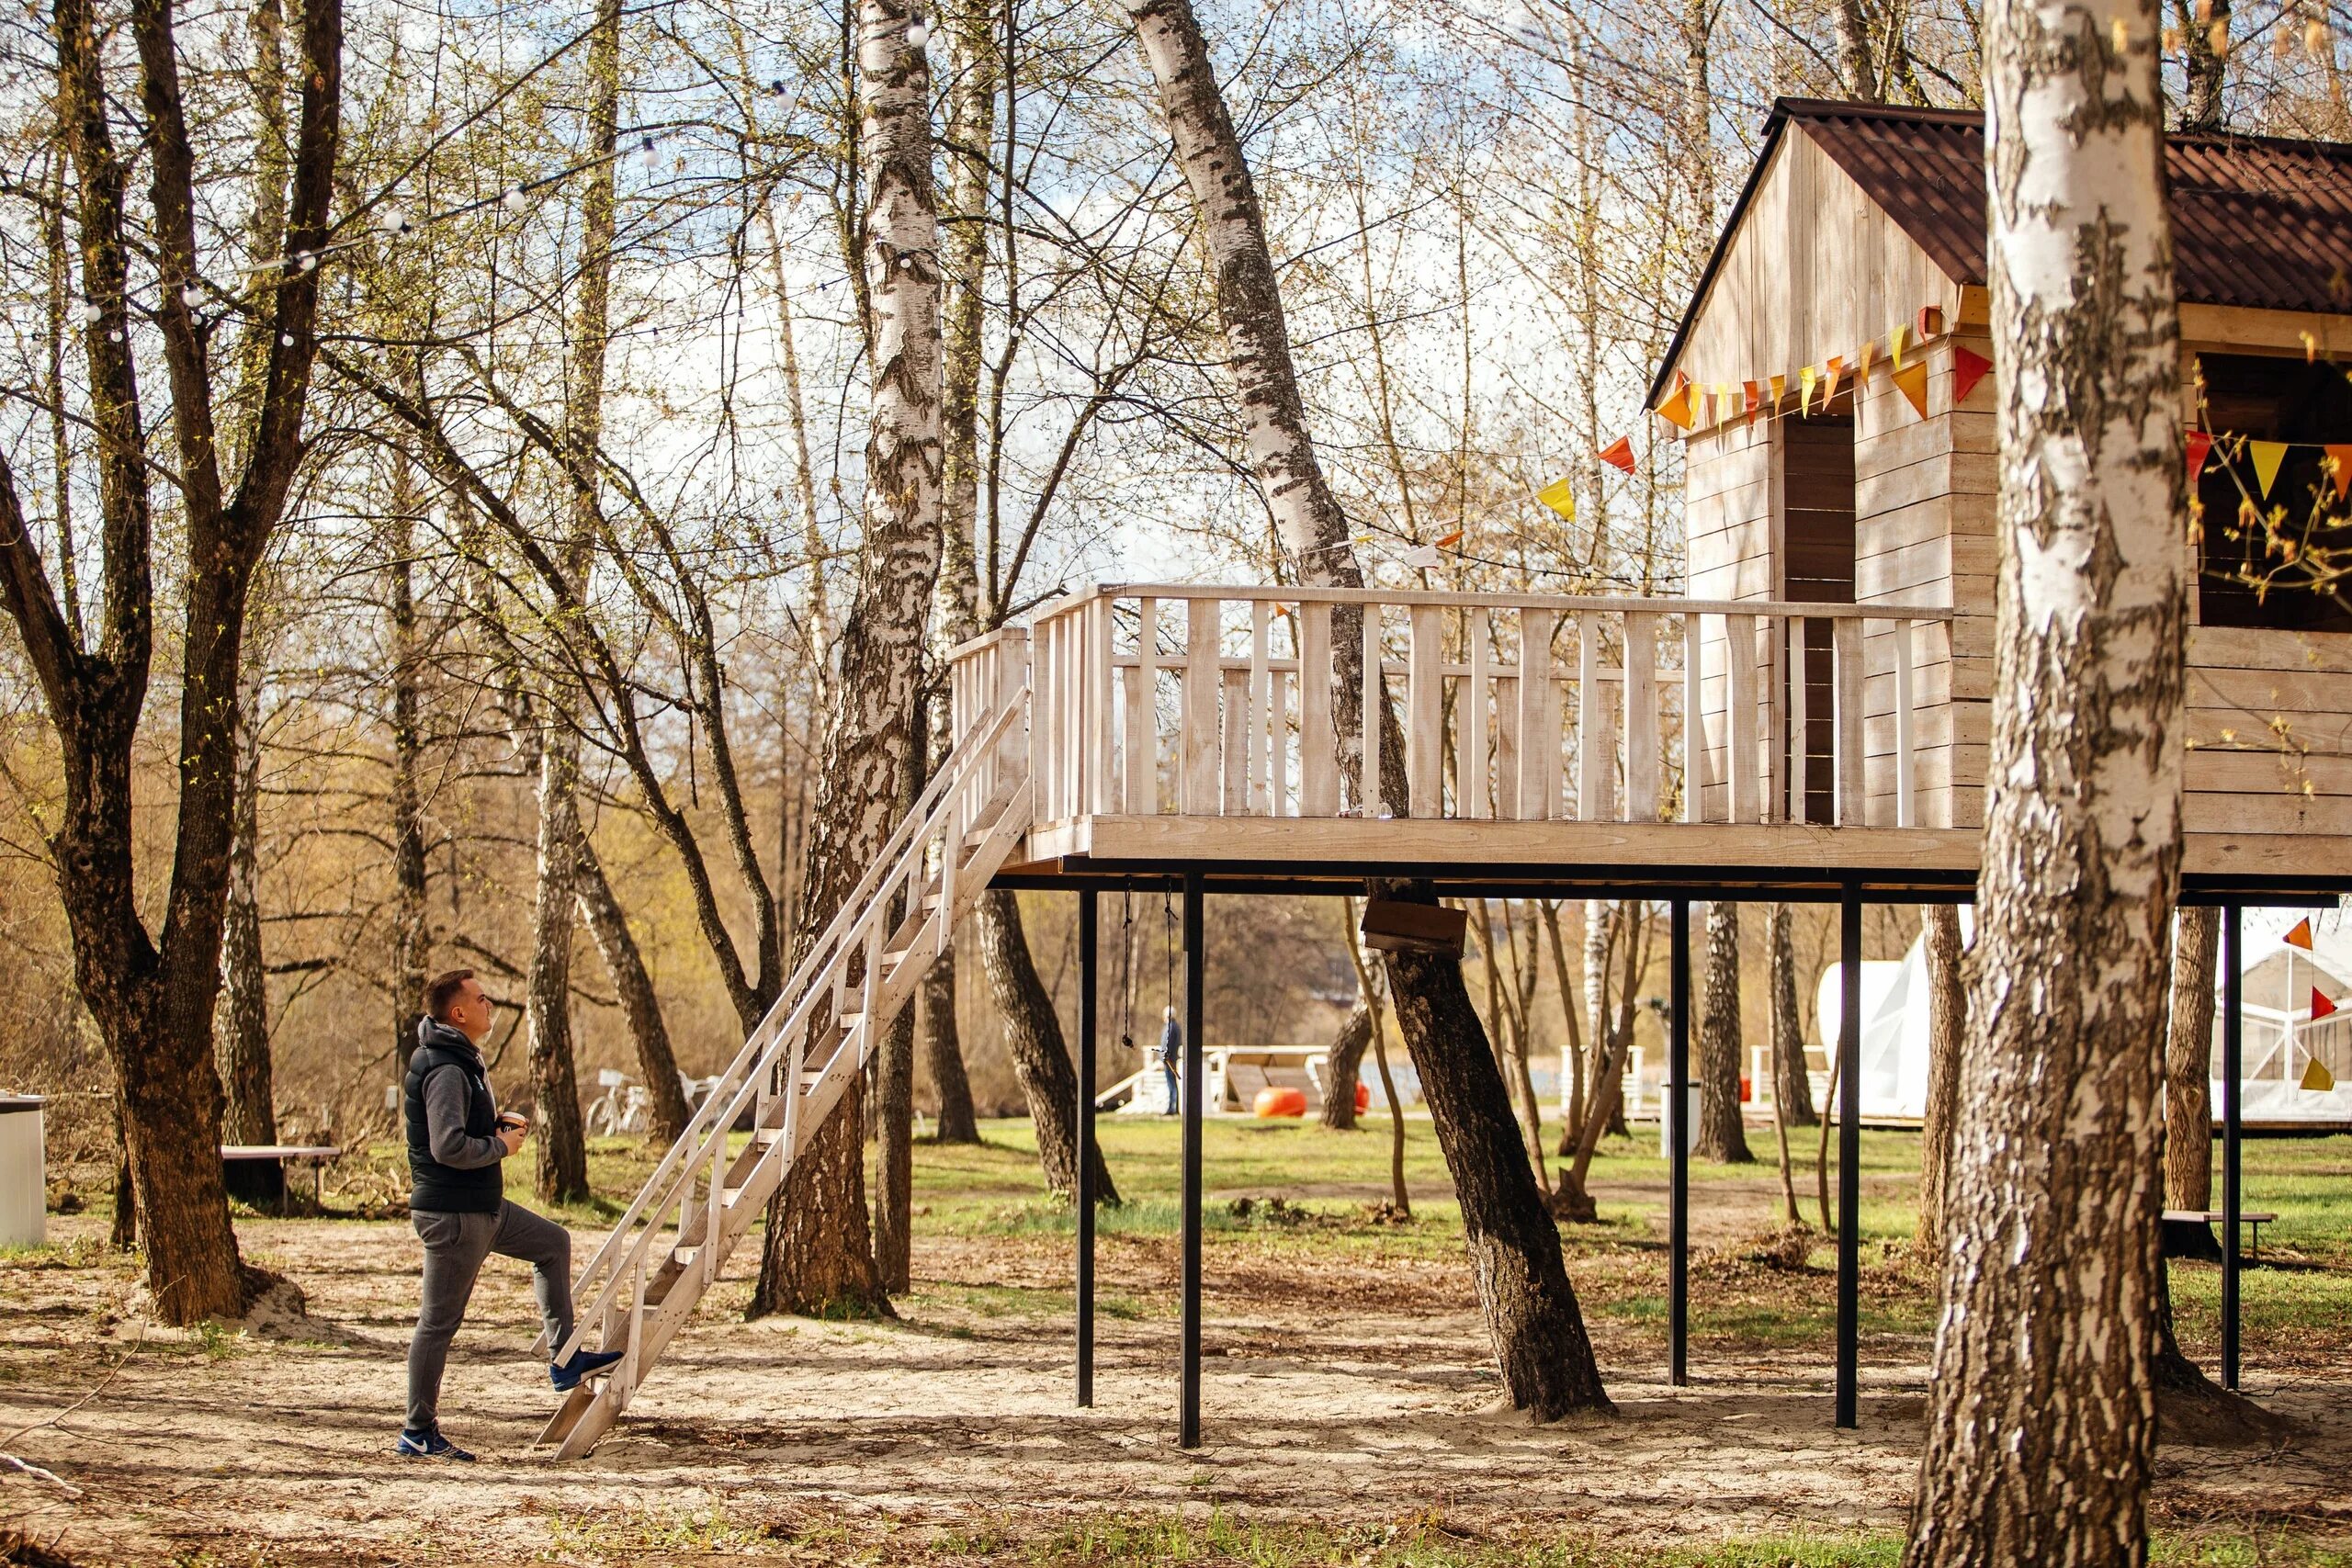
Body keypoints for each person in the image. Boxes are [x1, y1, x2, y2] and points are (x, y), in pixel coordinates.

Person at [397, 968, 620, 1461]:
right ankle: (418, 1431)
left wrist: (493, 1127)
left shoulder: (462, 1060)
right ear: (458, 1013)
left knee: (551, 1243)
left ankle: (564, 1361)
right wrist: (498, 1145)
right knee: (438, 1323)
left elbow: (460, 1131)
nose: (490, 1005)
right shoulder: (447, 1068)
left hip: (481, 1206)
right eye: (481, 999)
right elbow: (447, 1145)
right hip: (454, 1213)